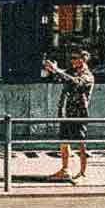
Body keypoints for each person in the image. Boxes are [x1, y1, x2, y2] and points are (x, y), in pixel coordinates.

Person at [43, 50, 94, 183]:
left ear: (82, 60)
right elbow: (62, 75)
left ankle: (82, 173)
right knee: (64, 140)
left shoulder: (87, 76)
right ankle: (65, 170)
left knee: (81, 143)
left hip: (78, 113)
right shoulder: (72, 71)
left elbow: (75, 82)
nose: (71, 61)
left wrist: (57, 70)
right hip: (66, 111)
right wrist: (53, 69)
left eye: (74, 58)